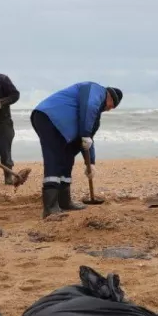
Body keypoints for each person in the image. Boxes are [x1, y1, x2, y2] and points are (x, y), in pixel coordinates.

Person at [31, 82, 123, 218]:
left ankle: (64, 201)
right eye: (111, 105)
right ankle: (50, 208)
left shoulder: (95, 114)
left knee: (67, 158)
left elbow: (88, 138)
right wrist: (85, 133)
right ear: (109, 97)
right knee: (54, 158)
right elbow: (89, 107)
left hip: (63, 127)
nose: (109, 109)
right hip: (49, 117)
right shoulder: (95, 90)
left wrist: (90, 163)